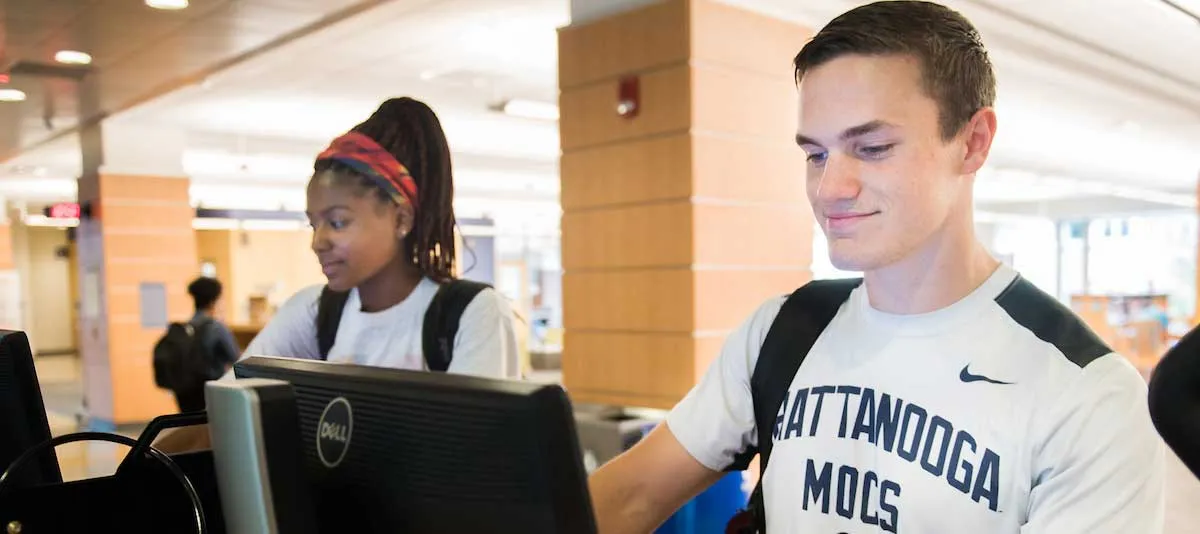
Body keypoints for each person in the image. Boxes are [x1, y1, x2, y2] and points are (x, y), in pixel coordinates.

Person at [586, 2, 1165, 533]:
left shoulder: (1087, 395)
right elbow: (630, 495)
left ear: (972, 142)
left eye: (872, 148)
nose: (830, 187)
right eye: (816, 154)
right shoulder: (782, 331)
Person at [155, 97, 519, 452]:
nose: (319, 242)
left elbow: (468, 455)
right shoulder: (313, 312)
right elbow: (220, 415)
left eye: (338, 222)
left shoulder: (473, 315)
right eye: (314, 224)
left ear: (401, 218)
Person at [171, 277, 240, 412]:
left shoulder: (185, 328)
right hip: (210, 393)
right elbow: (235, 358)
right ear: (214, 300)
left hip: (185, 394)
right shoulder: (216, 328)